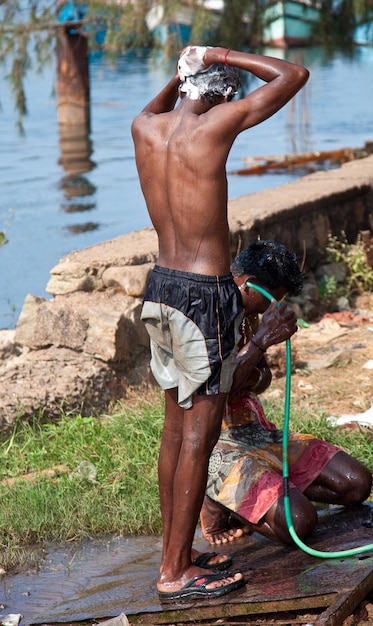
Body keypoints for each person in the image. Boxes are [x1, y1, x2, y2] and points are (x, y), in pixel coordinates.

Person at [131, 47, 309, 601]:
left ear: (182, 86)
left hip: (159, 288)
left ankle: (176, 555)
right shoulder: (217, 125)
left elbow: (159, 105)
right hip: (204, 294)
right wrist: (218, 54)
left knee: (173, 430)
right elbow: (292, 75)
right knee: (198, 437)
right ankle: (174, 572)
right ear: (225, 93)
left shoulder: (145, 128)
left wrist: (184, 72)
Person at [200, 240, 373, 546]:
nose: (273, 308)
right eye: (271, 300)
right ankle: (226, 503)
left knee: (356, 484)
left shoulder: (251, 315)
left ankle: (270, 497)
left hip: (256, 432)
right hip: (218, 442)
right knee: (300, 522)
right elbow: (218, 394)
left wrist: (257, 361)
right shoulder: (207, 315)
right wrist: (260, 343)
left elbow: (259, 381)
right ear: (250, 286)